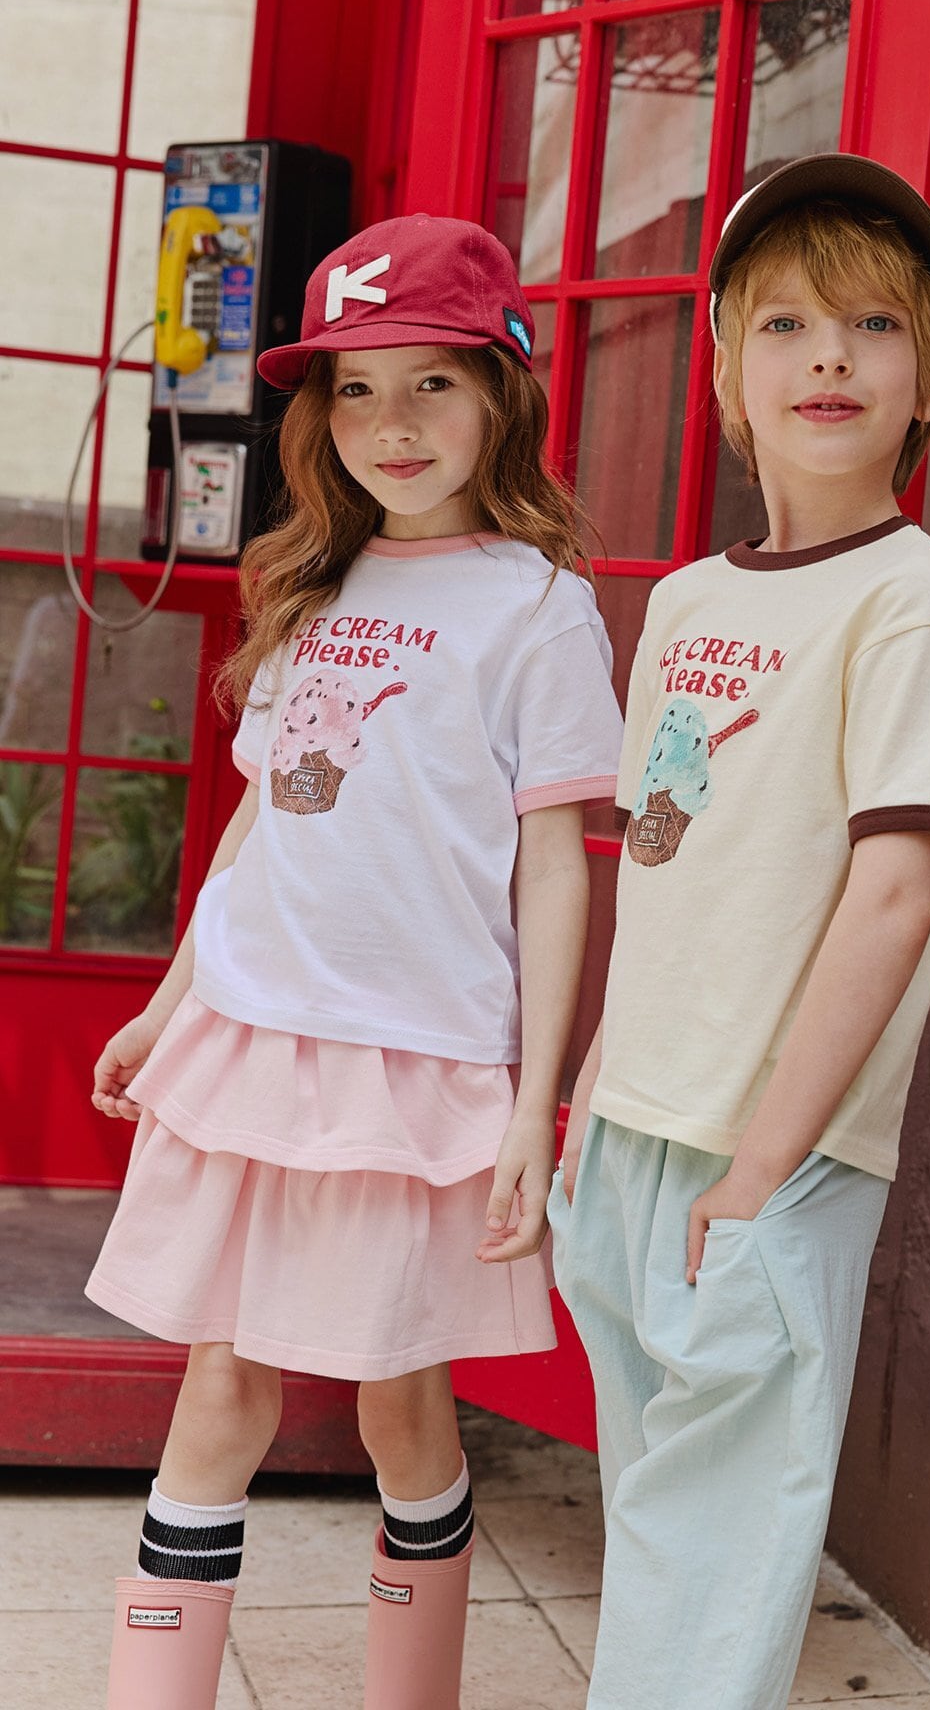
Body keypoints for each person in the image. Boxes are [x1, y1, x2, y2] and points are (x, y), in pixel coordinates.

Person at [86, 214, 624, 1710]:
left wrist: (532, 1101)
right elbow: (260, 822)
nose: (394, 424)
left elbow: (554, 864)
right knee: (220, 1388)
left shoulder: (538, 607)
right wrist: (168, 1001)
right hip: (252, 1041)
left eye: (432, 383)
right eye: (357, 389)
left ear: (502, 393)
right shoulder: (312, 587)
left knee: (400, 1402)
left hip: (415, 1063)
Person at [548, 154, 930, 1710]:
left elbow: (893, 893)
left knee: (720, 1531)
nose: (830, 357)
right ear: (729, 374)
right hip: (633, 1127)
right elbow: (659, 865)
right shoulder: (685, 602)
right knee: (658, 1512)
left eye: (876, 326)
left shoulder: (907, 598)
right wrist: (592, 1087)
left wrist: (761, 1166)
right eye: (788, 323)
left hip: (775, 1146)